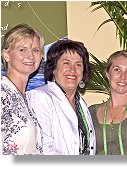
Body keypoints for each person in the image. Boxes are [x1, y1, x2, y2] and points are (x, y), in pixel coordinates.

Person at [27, 39, 96, 155]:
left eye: (78, 65)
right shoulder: (39, 97)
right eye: (66, 63)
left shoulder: (81, 103)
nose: (72, 70)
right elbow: (44, 147)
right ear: (53, 68)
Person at [1, 23, 44, 155]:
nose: (30, 56)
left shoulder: (25, 98)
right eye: (22, 50)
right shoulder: (2, 95)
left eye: (35, 50)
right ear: (6, 55)